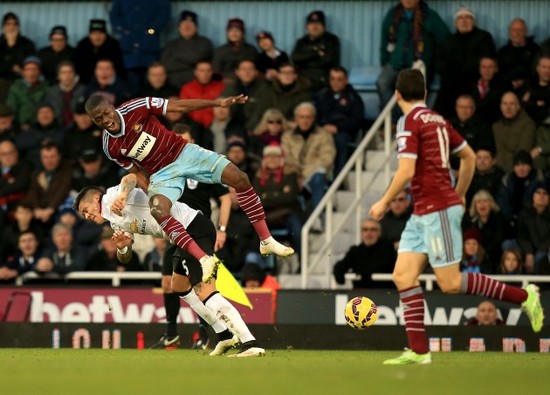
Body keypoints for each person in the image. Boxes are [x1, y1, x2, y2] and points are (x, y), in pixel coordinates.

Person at [369, 68, 543, 365]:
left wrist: (384, 202)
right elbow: (470, 157)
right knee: (403, 276)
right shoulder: (437, 118)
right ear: (424, 93)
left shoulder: (408, 121)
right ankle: (419, 351)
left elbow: (407, 171)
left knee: (449, 283)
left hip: (437, 209)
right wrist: (460, 193)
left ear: (397, 95)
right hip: (424, 210)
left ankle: (526, 296)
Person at [85, 93, 293, 284]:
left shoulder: (136, 108)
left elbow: (178, 106)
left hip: (183, 153)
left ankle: (266, 240)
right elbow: (137, 173)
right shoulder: (109, 147)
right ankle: (204, 260)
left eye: (105, 113)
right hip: (161, 174)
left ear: (112, 107)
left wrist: (217, 103)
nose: (105, 121)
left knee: (240, 178)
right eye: (98, 119)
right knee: (158, 210)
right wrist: (153, 195)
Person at [74, 174, 265, 357]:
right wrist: (123, 248)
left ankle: (250, 342)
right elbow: (125, 257)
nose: (86, 216)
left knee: (204, 290)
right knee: (179, 286)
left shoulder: (111, 197)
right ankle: (224, 335)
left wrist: (123, 195)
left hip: (193, 228)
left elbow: (130, 178)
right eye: (83, 215)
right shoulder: (114, 221)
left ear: (96, 198)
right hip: (181, 237)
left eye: (85, 210)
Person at [315, 65, 365, 176]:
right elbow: (316, 116)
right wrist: (323, 127)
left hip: (343, 132)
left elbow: (357, 121)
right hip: (322, 130)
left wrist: (338, 128)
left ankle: (339, 178)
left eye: (339, 79)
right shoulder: (322, 95)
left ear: (346, 80)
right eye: (332, 79)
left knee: (340, 141)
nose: (335, 82)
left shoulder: (354, 98)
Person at [109, 0, 170, 89]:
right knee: (130, 87)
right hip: (128, 52)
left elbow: (164, 15)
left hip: (149, 49)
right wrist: (124, 30)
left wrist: (152, 31)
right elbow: (114, 16)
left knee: (150, 86)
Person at [333, 218, 396, 289]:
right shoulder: (355, 251)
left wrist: (362, 272)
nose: (369, 233)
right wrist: (339, 274)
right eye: (365, 230)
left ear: (379, 233)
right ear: (361, 233)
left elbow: (382, 266)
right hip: (361, 295)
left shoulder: (387, 249)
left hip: (383, 293)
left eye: (373, 230)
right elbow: (341, 266)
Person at [160, 10, 214, 89]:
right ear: (179, 28)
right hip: (172, 88)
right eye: (184, 24)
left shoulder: (205, 42)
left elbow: (196, 58)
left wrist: (176, 56)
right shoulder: (171, 44)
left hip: (197, 88)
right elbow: (166, 64)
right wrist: (191, 65)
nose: (186, 27)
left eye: (190, 24)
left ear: (196, 28)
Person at [291, 10, 340, 94]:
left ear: (323, 26)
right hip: (303, 84)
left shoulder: (331, 40)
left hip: (324, 84)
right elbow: (295, 58)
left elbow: (329, 60)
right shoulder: (302, 42)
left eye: (318, 24)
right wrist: (316, 53)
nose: (314, 27)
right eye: (311, 24)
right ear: (307, 27)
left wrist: (305, 59)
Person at [492, 91, 536, 172]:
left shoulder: (527, 124)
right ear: (501, 106)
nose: (508, 108)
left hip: (517, 170)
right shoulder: (496, 126)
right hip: (498, 171)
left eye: (512, 104)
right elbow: (499, 152)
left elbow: (522, 153)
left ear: (518, 106)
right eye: (505, 104)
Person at [74, 19, 125, 85]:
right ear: (89, 34)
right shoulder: (82, 46)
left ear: (105, 35)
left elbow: (120, 70)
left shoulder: (114, 46)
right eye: (94, 34)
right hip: (86, 84)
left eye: (100, 33)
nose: (97, 37)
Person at [213, 18, 258, 84]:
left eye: (237, 31)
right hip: (225, 84)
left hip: (248, 84)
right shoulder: (220, 51)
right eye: (231, 31)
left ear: (243, 33)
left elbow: (256, 71)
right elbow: (215, 72)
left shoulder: (251, 50)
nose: (234, 34)